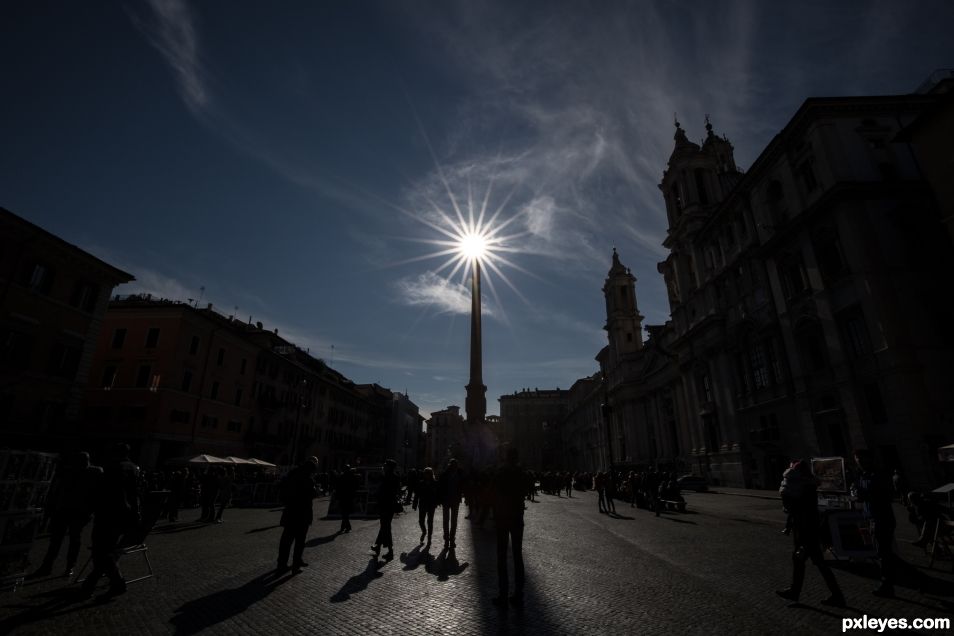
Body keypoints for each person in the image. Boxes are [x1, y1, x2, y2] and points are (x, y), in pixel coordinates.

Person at [776, 459, 845, 607]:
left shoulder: (804, 490)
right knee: (803, 561)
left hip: (807, 533)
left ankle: (836, 595)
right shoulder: (803, 488)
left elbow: (801, 512)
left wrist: (804, 541)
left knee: (816, 563)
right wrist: (789, 526)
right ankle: (796, 591)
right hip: (804, 530)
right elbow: (794, 511)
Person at [80, 443, 140, 599]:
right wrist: (135, 514)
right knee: (106, 550)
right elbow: (135, 494)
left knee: (101, 551)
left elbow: (105, 493)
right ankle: (91, 583)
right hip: (123, 516)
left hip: (108, 514)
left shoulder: (113, 468)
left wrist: (90, 510)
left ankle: (114, 583)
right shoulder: (133, 468)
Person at [31, 452, 99, 578]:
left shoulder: (75, 472)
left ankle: (56, 566)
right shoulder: (92, 472)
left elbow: (58, 491)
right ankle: (60, 566)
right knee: (66, 539)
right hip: (71, 510)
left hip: (74, 510)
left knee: (65, 540)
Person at [853, 449, 897, 597]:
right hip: (871, 516)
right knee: (880, 551)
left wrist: (865, 495)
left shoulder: (878, 474)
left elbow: (887, 495)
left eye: (860, 460)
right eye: (857, 460)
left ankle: (887, 583)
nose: (858, 463)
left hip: (882, 517)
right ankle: (887, 581)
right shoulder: (861, 475)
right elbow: (861, 494)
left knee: (883, 552)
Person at [492, 447, 526, 608]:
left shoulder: (501, 473)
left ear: (506, 457)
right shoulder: (521, 473)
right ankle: (518, 593)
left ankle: (503, 594)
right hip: (517, 517)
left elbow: (496, 493)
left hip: (503, 518)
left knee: (502, 557)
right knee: (517, 556)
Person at [277, 456, 319, 574]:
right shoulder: (308, 480)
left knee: (286, 540)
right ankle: (295, 565)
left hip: (290, 512)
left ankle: (281, 564)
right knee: (299, 541)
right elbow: (312, 494)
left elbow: (283, 489)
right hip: (302, 514)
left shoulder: (292, 475)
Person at [371, 459, 400, 560]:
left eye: (385, 465)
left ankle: (390, 551)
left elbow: (384, 491)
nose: (384, 467)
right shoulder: (393, 477)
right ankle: (378, 547)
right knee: (384, 527)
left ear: (389, 467)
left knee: (386, 528)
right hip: (389, 505)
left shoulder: (387, 477)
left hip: (386, 505)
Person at [439, 458, 464, 549]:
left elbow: (463, 485)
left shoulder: (460, 474)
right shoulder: (445, 474)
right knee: (446, 521)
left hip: (455, 501)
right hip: (446, 500)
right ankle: (447, 540)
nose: (454, 467)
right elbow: (440, 487)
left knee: (453, 521)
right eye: (453, 465)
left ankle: (451, 539)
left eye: (455, 465)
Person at [413, 467, 439, 546]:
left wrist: (437, 502)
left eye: (427, 473)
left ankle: (429, 538)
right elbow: (417, 494)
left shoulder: (435, 483)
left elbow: (438, 494)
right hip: (423, 504)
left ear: (430, 474)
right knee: (421, 521)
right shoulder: (421, 483)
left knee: (430, 522)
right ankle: (424, 532)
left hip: (431, 504)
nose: (426, 475)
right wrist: (414, 503)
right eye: (425, 473)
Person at [337, 465, 356, 533]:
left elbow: (338, 487)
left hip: (344, 497)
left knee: (344, 513)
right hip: (348, 497)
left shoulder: (342, 476)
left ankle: (346, 527)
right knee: (345, 513)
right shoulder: (352, 476)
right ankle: (346, 527)